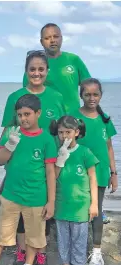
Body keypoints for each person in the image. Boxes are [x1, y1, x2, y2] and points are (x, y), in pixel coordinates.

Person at [0, 50, 65, 265]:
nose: (37, 73)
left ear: (47, 71)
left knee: (39, 218)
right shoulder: (15, 97)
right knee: (14, 215)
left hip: (46, 163)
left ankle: (37, 252)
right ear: (26, 71)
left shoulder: (56, 97)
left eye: (41, 69)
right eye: (32, 69)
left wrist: (66, 154)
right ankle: (21, 251)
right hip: (18, 166)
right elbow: (7, 131)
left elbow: (64, 127)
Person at [71, 78, 118, 265]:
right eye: (87, 94)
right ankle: (77, 249)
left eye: (95, 94)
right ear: (81, 95)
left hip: (100, 173)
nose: (91, 98)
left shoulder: (104, 118)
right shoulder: (73, 117)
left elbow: (109, 148)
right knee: (79, 211)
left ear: (100, 95)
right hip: (78, 173)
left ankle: (96, 252)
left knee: (96, 210)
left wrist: (114, 174)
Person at [50, 116, 99, 265]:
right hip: (61, 207)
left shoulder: (84, 152)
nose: (64, 136)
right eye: (60, 132)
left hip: (80, 209)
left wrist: (94, 204)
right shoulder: (55, 151)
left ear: (76, 132)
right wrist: (60, 159)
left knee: (79, 246)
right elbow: (52, 178)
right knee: (63, 246)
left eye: (68, 132)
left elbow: (93, 178)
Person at [23, 23, 91, 113]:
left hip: (73, 119)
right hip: (47, 118)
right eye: (47, 38)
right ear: (41, 42)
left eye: (56, 36)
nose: (52, 40)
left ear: (61, 38)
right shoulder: (36, 64)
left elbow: (89, 88)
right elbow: (27, 94)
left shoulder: (74, 59)